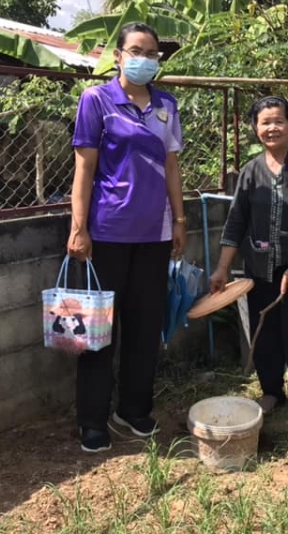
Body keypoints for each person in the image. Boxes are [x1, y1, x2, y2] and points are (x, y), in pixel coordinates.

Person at [67, 22, 187, 453]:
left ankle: (133, 410)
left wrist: (179, 219)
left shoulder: (166, 105)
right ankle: (93, 420)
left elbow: (172, 166)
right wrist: (78, 228)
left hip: (154, 235)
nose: (144, 58)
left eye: (151, 52)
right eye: (136, 50)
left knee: (143, 327)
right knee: (99, 331)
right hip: (108, 233)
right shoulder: (96, 100)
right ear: (118, 56)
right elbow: (84, 168)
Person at [208, 95, 288, 432]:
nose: (272, 127)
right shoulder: (250, 172)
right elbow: (235, 224)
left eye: (278, 121)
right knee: (264, 335)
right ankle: (272, 392)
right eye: (265, 122)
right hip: (257, 271)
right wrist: (221, 269)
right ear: (255, 129)